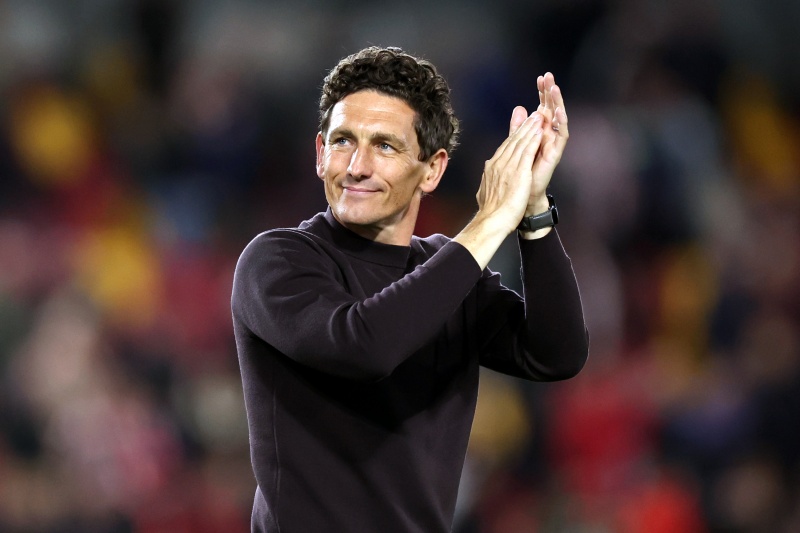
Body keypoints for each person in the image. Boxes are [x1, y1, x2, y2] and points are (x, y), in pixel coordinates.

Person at [232, 46, 589, 533]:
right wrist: (488, 220)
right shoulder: (277, 260)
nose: (357, 166)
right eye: (343, 141)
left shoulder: (448, 273)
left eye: (385, 146)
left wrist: (532, 209)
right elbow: (363, 347)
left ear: (433, 169)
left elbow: (556, 354)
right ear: (319, 154)